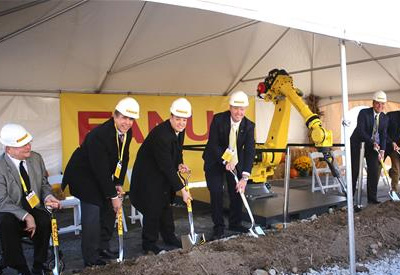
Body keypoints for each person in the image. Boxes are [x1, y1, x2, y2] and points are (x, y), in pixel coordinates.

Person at [62, 97, 139, 267]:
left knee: (109, 211)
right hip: (83, 176)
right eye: (124, 118)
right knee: (93, 214)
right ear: (115, 116)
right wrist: (113, 196)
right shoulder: (100, 135)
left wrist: (118, 183)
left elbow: (123, 158)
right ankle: (91, 258)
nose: (127, 122)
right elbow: (100, 170)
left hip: (99, 175)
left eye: (131, 119)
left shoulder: (127, 132)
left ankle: (103, 247)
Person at [130, 98, 192, 255]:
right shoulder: (161, 135)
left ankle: (169, 236)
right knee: (153, 207)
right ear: (171, 116)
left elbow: (177, 151)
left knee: (165, 205)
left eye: (184, 120)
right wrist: (183, 190)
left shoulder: (179, 130)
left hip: (162, 173)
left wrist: (179, 163)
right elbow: (165, 167)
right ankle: (149, 244)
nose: (181, 123)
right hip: (148, 175)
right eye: (178, 119)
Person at [0, 123, 60, 275]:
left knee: (44, 219)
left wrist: (48, 196)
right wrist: (26, 216)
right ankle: (20, 267)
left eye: (28, 142)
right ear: (9, 149)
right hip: (10, 210)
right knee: (6, 222)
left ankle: (39, 264)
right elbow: (2, 201)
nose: (28, 147)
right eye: (22, 145)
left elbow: (44, 185)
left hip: (33, 206)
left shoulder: (36, 158)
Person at [202, 91, 255, 239]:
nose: (239, 112)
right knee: (216, 191)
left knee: (237, 191)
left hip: (235, 161)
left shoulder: (249, 126)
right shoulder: (218, 119)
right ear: (230, 107)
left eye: (242, 109)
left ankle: (235, 223)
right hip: (215, 160)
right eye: (236, 108)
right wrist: (225, 161)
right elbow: (213, 144)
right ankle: (218, 227)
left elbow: (250, 151)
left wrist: (244, 177)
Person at [351, 90, 389, 204]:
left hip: (372, 146)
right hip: (357, 144)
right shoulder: (364, 113)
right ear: (373, 103)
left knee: (373, 170)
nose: (380, 106)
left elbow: (383, 135)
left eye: (382, 104)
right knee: (355, 170)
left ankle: (372, 199)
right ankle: (349, 198)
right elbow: (361, 131)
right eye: (378, 103)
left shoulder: (384, 118)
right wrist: (372, 141)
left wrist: (382, 150)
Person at [385, 110, 400, 192]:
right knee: (377, 168)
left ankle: (394, 191)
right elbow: (383, 131)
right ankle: (372, 195)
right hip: (383, 145)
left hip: (395, 148)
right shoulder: (391, 115)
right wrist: (391, 142)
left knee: (396, 169)